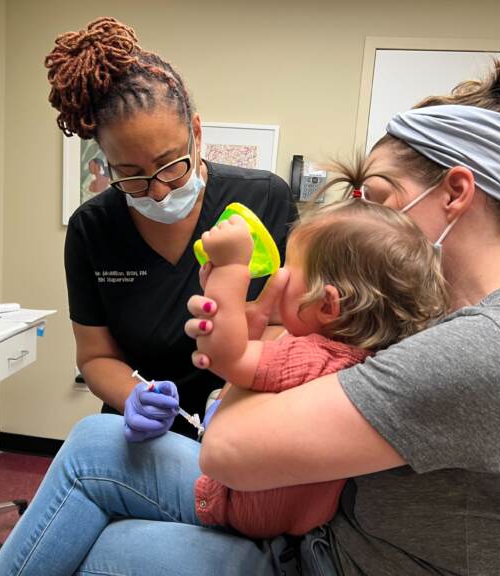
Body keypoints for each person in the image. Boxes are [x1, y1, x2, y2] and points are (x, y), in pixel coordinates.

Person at [0, 62, 500, 576]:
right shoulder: (455, 317)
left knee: (110, 550)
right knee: (96, 438)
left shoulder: (487, 349)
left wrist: (254, 327)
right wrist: (256, 335)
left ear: (456, 193)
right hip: (328, 509)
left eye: (377, 199)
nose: (367, 228)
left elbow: (226, 446)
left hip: (326, 551)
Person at [53, 17, 297, 439]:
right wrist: (133, 397)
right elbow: (95, 357)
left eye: (171, 165)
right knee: (88, 451)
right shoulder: (92, 229)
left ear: (197, 135)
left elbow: (286, 324)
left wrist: (238, 385)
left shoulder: (264, 199)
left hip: (245, 416)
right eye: (131, 175)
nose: (160, 192)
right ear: (106, 164)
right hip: (144, 432)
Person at [191, 199, 447, 539]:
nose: (279, 276)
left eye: (289, 270)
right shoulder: (365, 360)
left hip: (245, 514)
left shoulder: (311, 354)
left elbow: (225, 357)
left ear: (327, 304)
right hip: (302, 522)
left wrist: (231, 269)